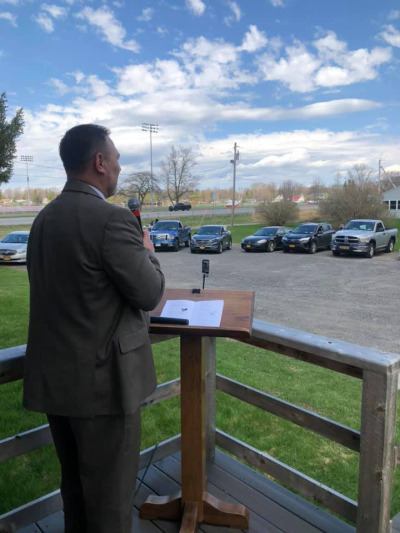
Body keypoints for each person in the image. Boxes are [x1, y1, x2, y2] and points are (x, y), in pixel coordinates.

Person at [23, 124, 165, 533]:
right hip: (104, 391)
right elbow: (150, 293)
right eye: (117, 158)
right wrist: (147, 252)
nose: (119, 167)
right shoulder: (112, 221)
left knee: (77, 496)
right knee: (110, 504)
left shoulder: (43, 220)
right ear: (100, 162)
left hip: (57, 384)